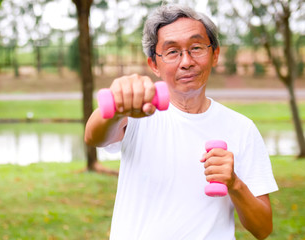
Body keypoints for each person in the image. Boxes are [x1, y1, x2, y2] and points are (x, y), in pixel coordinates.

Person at [84, 4, 278, 240]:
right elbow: (94, 137)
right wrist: (116, 108)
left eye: (196, 48)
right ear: (154, 64)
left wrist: (235, 184)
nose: (186, 61)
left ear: (214, 55)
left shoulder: (242, 128)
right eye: (172, 52)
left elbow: (263, 228)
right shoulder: (139, 112)